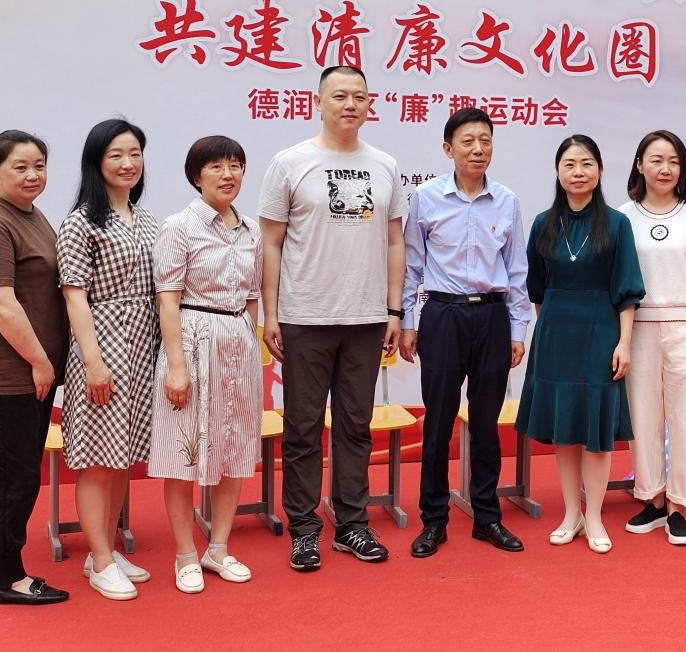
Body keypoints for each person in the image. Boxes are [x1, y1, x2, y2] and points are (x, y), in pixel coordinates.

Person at [259, 65, 407, 572]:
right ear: (317, 102)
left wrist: (393, 310)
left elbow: (394, 242)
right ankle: (304, 530)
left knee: (355, 426)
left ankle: (352, 524)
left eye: (359, 97)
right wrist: (272, 313)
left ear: (370, 105)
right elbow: (271, 243)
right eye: (340, 96)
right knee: (302, 427)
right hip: (305, 316)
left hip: (366, 318)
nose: (350, 105)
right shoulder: (290, 162)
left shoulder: (385, 165)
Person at [399, 108, 531, 558]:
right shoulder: (426, 197)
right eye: (468, 141)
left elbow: (516, 269)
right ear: (448, 148)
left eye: (485, 141)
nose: (478, 150)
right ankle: (433, 520)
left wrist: (517, 328)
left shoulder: (507, 200)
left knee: (487, 423)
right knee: (438, 422)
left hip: (492, 317)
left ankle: (487, 517)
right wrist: (408, 323)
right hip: (443, 315)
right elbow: (412, 266)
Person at [515, 135, 644, 554]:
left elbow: (628, 290)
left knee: (596, 430)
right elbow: (536, 288)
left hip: (601, 333)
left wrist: (624, 343)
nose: (578, 172)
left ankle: (595, 516)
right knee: (565, 428)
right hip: (555, 335)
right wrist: (549, 329)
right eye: (569, 164)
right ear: (557, 172)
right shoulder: (542, 223)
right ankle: (572, 513)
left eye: (587, 164)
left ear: (600, 171)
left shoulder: (617, 224)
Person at [147, 137, 262, 593]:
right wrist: (177, 366)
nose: (227, 174)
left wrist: (251, 342)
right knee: (183, 452)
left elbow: (252, 296)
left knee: (234, 448)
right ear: (197, 176)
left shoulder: (251, 230)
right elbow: (168, 299)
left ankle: (218, 548)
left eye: (236, 165)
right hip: (193, 342)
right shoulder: (180, 226)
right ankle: (184, 555)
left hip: (238, 344)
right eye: (216, 166)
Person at [0, 131, 70, 605]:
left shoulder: (29, 214)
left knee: (3, 475)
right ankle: (11, 578)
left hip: (29, 373)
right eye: (20, 167)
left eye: (39, 166)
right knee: (12, 479)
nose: (32, 175)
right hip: (10, 374)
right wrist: (40, 361)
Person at [58, 119, 158, 600]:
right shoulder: (80, 222)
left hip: (144, 347)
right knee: (98, 459)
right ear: (96, 162)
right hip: (103, 347)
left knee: (121, 457)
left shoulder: (148, 220)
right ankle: (98, 560)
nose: (127, 163)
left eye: (135, 153)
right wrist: (94, 363)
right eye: (116, 154)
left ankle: (108, 549)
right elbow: (74, 296)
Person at [619, 130, 686, 546]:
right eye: (656, 160)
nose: (665, 168)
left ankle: (680, 505)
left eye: (673, 161)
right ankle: (653, 498)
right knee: (643, 415)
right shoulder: (623, 217)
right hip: (640, 328)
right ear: (639, 165)